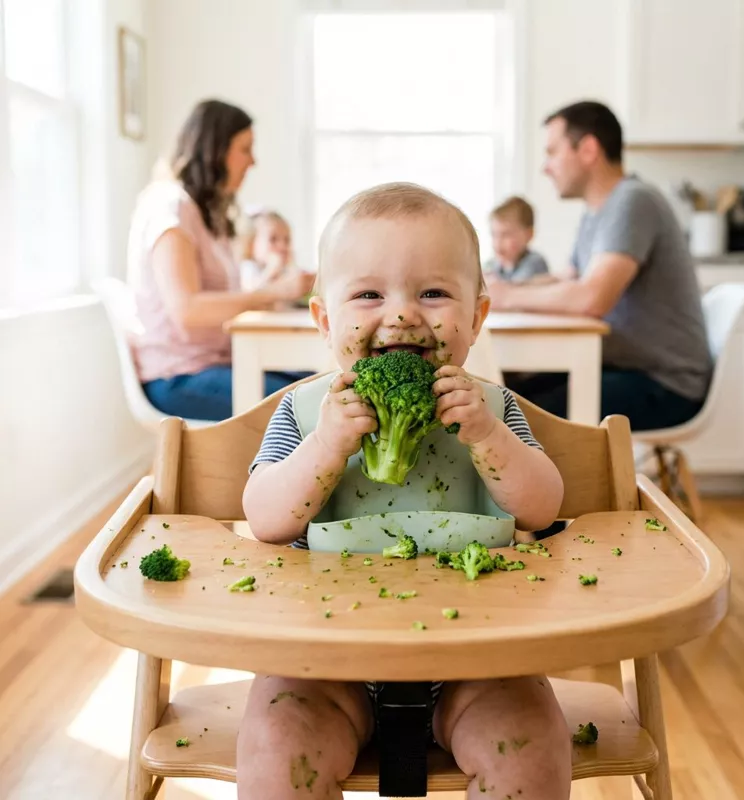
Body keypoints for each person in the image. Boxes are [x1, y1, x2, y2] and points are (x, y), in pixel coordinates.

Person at [238, 183, 570, 800]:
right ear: (325, 319)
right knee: (276, 745)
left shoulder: (492, 410)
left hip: (478, 659)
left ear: (476, 316)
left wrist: (490, 438)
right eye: (368, 294)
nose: (401, 314)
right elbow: (263, 517)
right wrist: (327, 448)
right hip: (326, 661)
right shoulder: (306, 412)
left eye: (434, 293)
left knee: (533, 745)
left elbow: (544, 506)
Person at [489, 101, 712, 431]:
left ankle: (571, 484)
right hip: (624, 367)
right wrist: (500, 286)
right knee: (507, 395)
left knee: (520, 417)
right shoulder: (597, 212)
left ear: (589, 149)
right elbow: (566, 280)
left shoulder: (633, 200)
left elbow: (591, 298)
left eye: (552, 152)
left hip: (664, 384)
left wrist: (505, 297)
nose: (545, 167)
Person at [127, 99, 315, 421]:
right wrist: (274, 293)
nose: (253, 161)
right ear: (214, 150)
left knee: (315, 386)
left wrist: (276, 285)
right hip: (179, 377)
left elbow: (228, 300)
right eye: (245, 149)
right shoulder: (169, 206)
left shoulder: (203, 215)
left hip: (213, 364)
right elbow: (187, 310)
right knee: (310, 404)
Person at [483, 195, 550, 283]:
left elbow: (515, 289)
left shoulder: (535, 262)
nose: (498, 242)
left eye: (506, 235)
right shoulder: (492, 264)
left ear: (529, 235)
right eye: (494, 235)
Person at [239, 209, 301, 292]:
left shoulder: (286, 269)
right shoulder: (248, 268)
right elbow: (250, 295)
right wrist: (270, 272)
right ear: (252, 244)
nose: (282, 246)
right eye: (273, 239)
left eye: (287, 240)